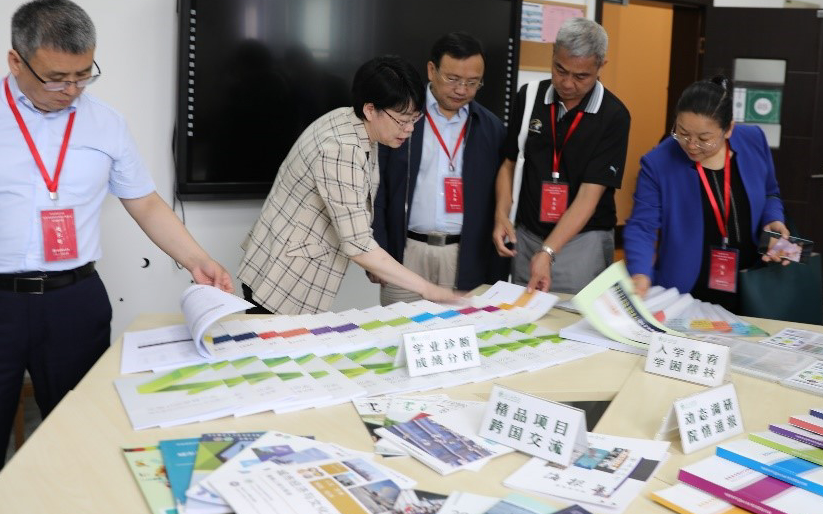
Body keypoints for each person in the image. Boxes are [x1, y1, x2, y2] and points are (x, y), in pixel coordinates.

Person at [0, 0, 234, 514]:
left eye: (84, 75)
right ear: (16, 61)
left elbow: (145, 202)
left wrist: (198, 259)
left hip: (73, 301)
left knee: (76, 445)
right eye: (57, 77)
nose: (72, 90)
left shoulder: (105, 122)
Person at [237, 56, 467, 314]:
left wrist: (377, 261)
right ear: (370, 109)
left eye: (415, 118)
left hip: (284, 265)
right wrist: (428, 289)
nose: (410, 129)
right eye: (403, 120)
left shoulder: (352, 121)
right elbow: (357, 245)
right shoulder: (341, 148)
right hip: (281, 279)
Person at [623, 77, 790, 309]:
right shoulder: (658, 163)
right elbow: (643, 226)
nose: (691, 145)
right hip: (687, 290)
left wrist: (773, 219)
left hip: (752, 283)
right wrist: (640, 272)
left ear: (728, 129)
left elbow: (770, 193)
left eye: (704, 139)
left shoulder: (753, 140)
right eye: (682, 133)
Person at [493, 18, 631, 293]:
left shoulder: (613, 115)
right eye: (560, 70)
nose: (567, 83)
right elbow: (509, 163)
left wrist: (548, 251)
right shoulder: (529, 97)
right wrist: (501, 214)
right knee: (523, 313)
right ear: (553, 53)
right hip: (528, 236)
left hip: (583, 242)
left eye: (581, 77)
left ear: (600, 66)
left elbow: (589, 196)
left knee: (571, 317)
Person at [372, 33, 508, 303]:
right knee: (397, 326)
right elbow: (378, 188)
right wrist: (378, 250)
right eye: (453, 79)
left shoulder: (491, 128)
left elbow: (496, 199)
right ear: (431, 70)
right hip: (406, 253)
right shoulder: (399, 117)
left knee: (460, 327)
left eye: (472, 82)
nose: (462, 90)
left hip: (462, 257)